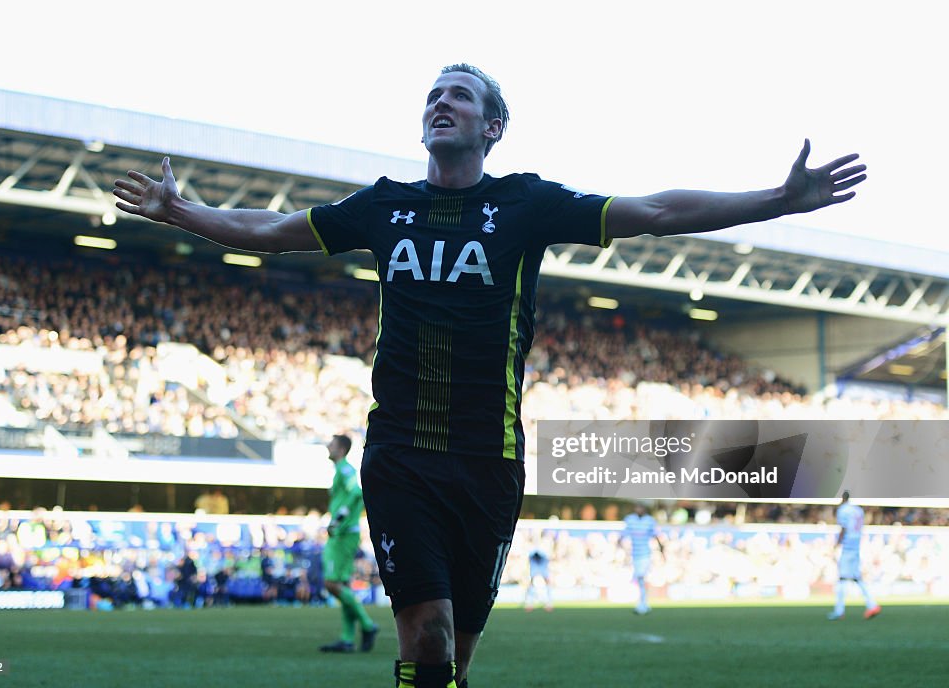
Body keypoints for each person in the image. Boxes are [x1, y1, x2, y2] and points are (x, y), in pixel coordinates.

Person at [113, 63, 866, 688]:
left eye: (459, 96)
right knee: (429, 636)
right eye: (433, 96)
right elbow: (269, 233)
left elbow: (655, 211)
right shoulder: (383, 209)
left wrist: (774, 199)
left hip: (491, 460)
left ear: (491, 127)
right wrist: (184, 213)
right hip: (401, 455)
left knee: (457, 657)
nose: (441, 103)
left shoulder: (526, 204)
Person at [318, 434, 379, 653]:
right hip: (344, 533)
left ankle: (368, 625)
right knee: (340, 585)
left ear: (341, 449)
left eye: (331, 443)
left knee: (331, 583)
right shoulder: (341, 470)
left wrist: (339, 518)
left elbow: (356, 493)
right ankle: (346, 638)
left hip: (343, 534)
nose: (328, 445)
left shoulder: (345, 470)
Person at [828, 491, 881, 620]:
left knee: (842, 578)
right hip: (856, 546)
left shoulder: (843, 510)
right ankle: (872, 604)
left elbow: (844, 528)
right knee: (856, 577)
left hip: (847, 547)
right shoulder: (858, 510)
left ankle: (839, 611)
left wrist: (836, 544)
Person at [623, 503, 665, 615]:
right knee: (639, 579)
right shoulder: (630, 519)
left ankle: (643, 603)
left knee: (641, 576)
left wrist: (661, 550)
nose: (638, 509)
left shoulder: (649, 520)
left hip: (645, 554)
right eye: (637, 507)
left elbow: (655, 535)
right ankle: (642, 603)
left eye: (640, 507)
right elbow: (624, 534)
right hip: (634, 554)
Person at [522, 533, 553, 612]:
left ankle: (548, 603)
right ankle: (529, 603)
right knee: (531, 585)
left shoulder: (544, 545)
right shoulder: (533, 547)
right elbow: (531, 555)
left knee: (547, 584)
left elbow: (545, 556)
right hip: (535, 567)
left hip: (542, 567)